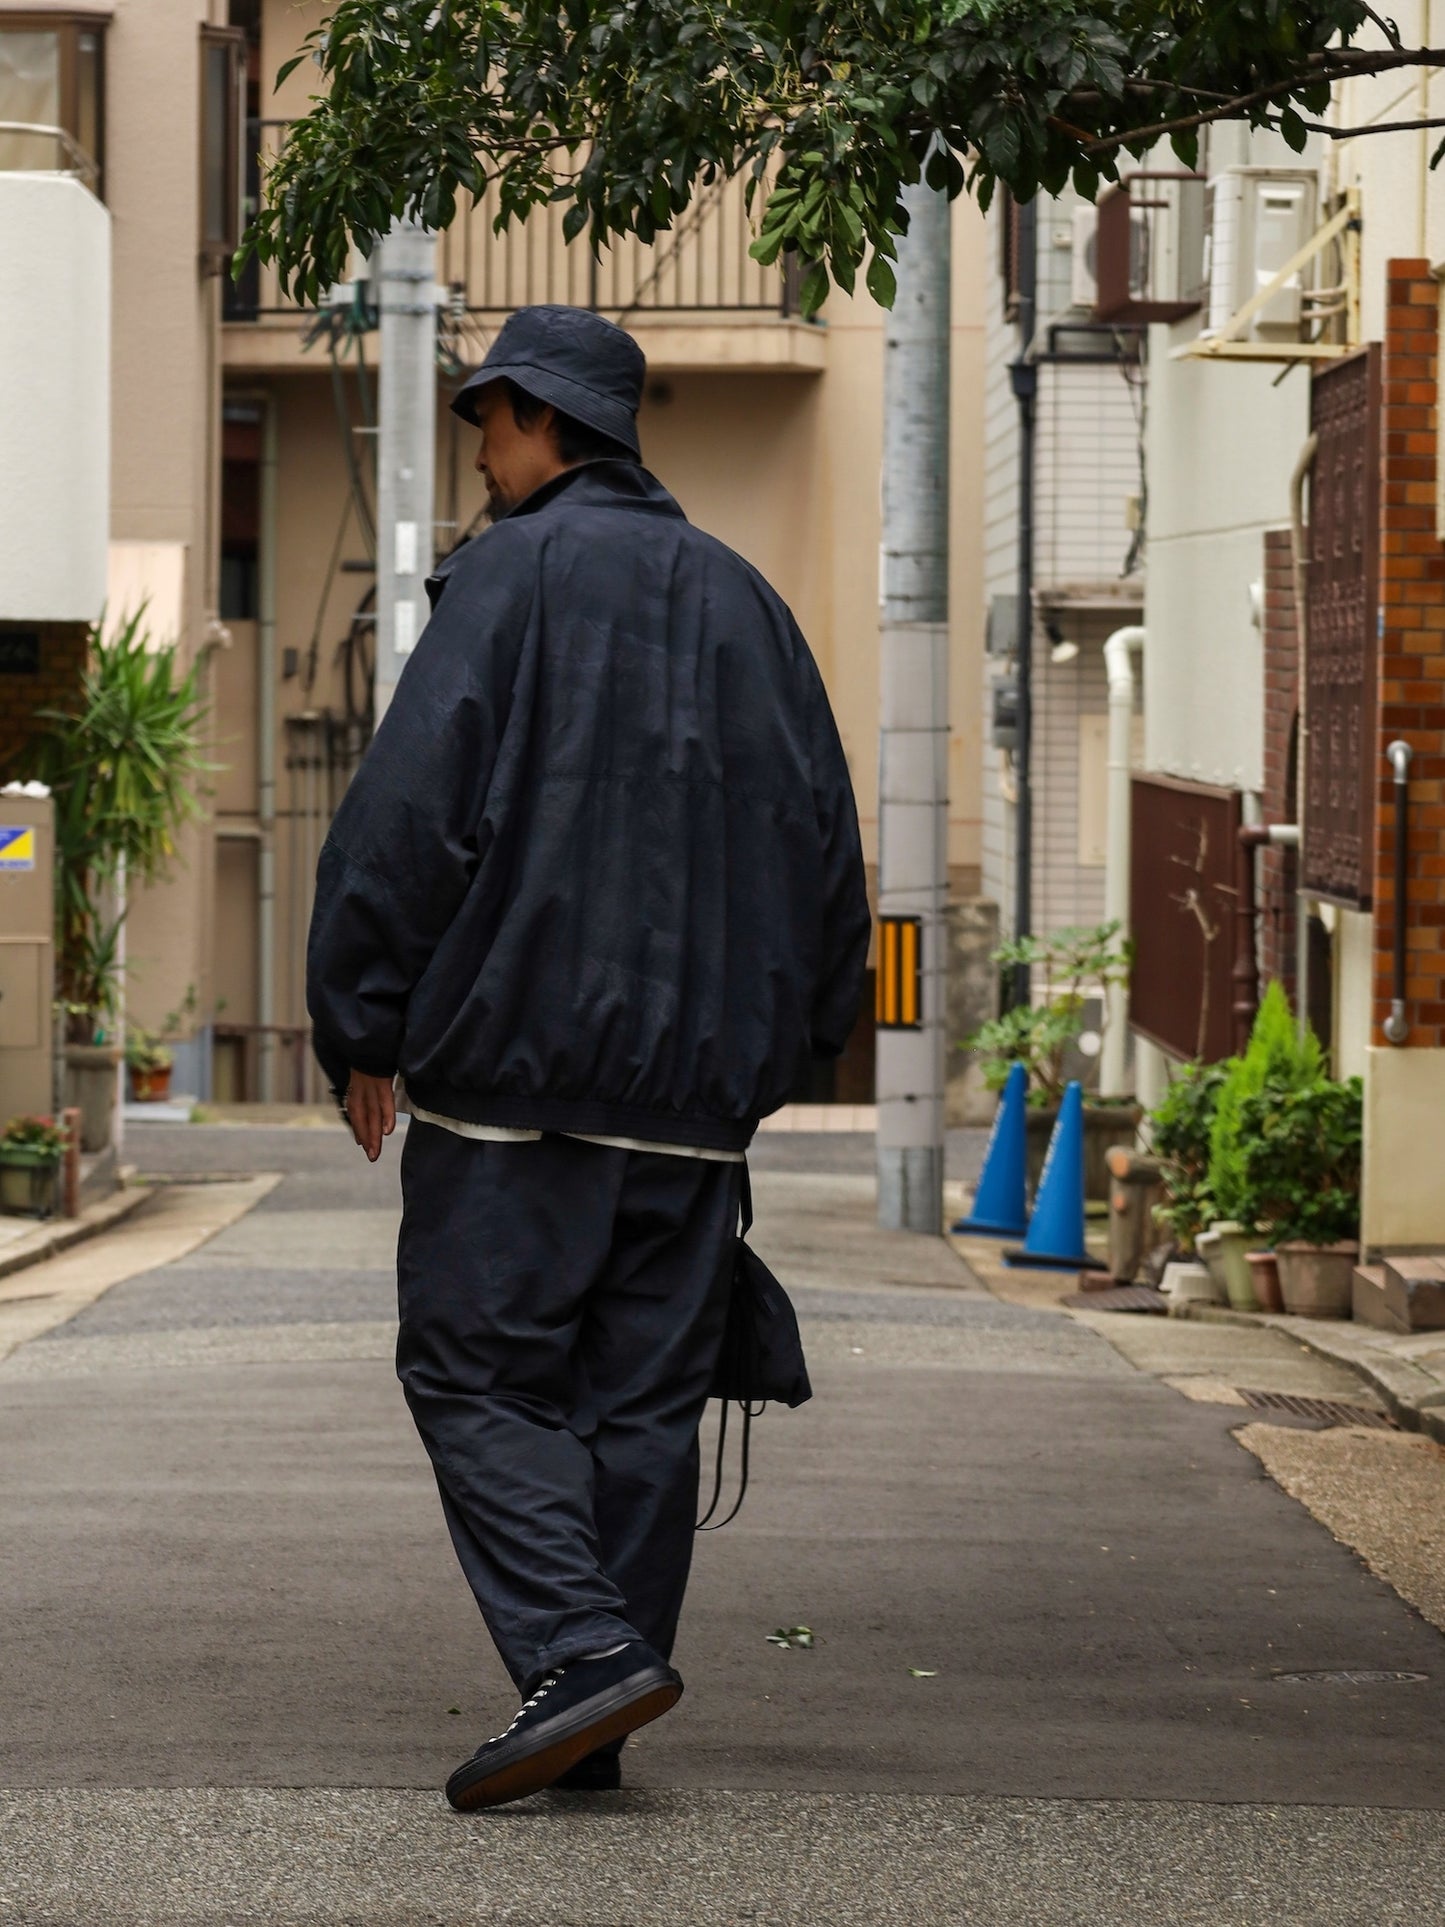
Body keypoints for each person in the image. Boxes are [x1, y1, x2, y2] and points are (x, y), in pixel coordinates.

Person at [306, 303, 870, 1811]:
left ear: (546, 423)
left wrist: (360, 1020)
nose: (479, 452)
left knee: (474, 1373)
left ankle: (573, 1647)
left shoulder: (506, 585)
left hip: (514, 1088)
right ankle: (598, 1710)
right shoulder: (750, 603)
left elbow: (405, 824)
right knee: (636, 1410)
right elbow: (827, 854)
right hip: (694, 1108)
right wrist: (784, 1051)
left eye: (487, 421)